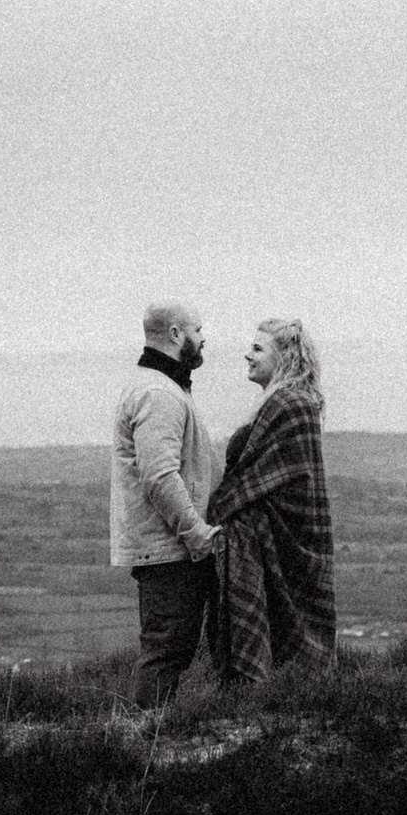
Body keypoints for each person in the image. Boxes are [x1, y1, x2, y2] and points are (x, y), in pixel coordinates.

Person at [206, 317, 338, 685]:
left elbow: (279, 480)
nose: (247, 354)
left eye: (258, 348)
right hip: (264, 535)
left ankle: (278, 701)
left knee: (291, 633)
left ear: (285, 358)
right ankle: (268, 699)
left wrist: (225, 506)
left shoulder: (290, 404)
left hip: (285, 537)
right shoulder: (278, 401)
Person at [110, 301, 220, 708]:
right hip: (169, 550)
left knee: (171, 651)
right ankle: (147, 744)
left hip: (169, 547)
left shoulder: (164, 387)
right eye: (197, 328)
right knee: (165, 652)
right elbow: (159, 476)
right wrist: (197, 535)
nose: (203, 336)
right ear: (176, 334)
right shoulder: (159, 393)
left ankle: (151, 739)